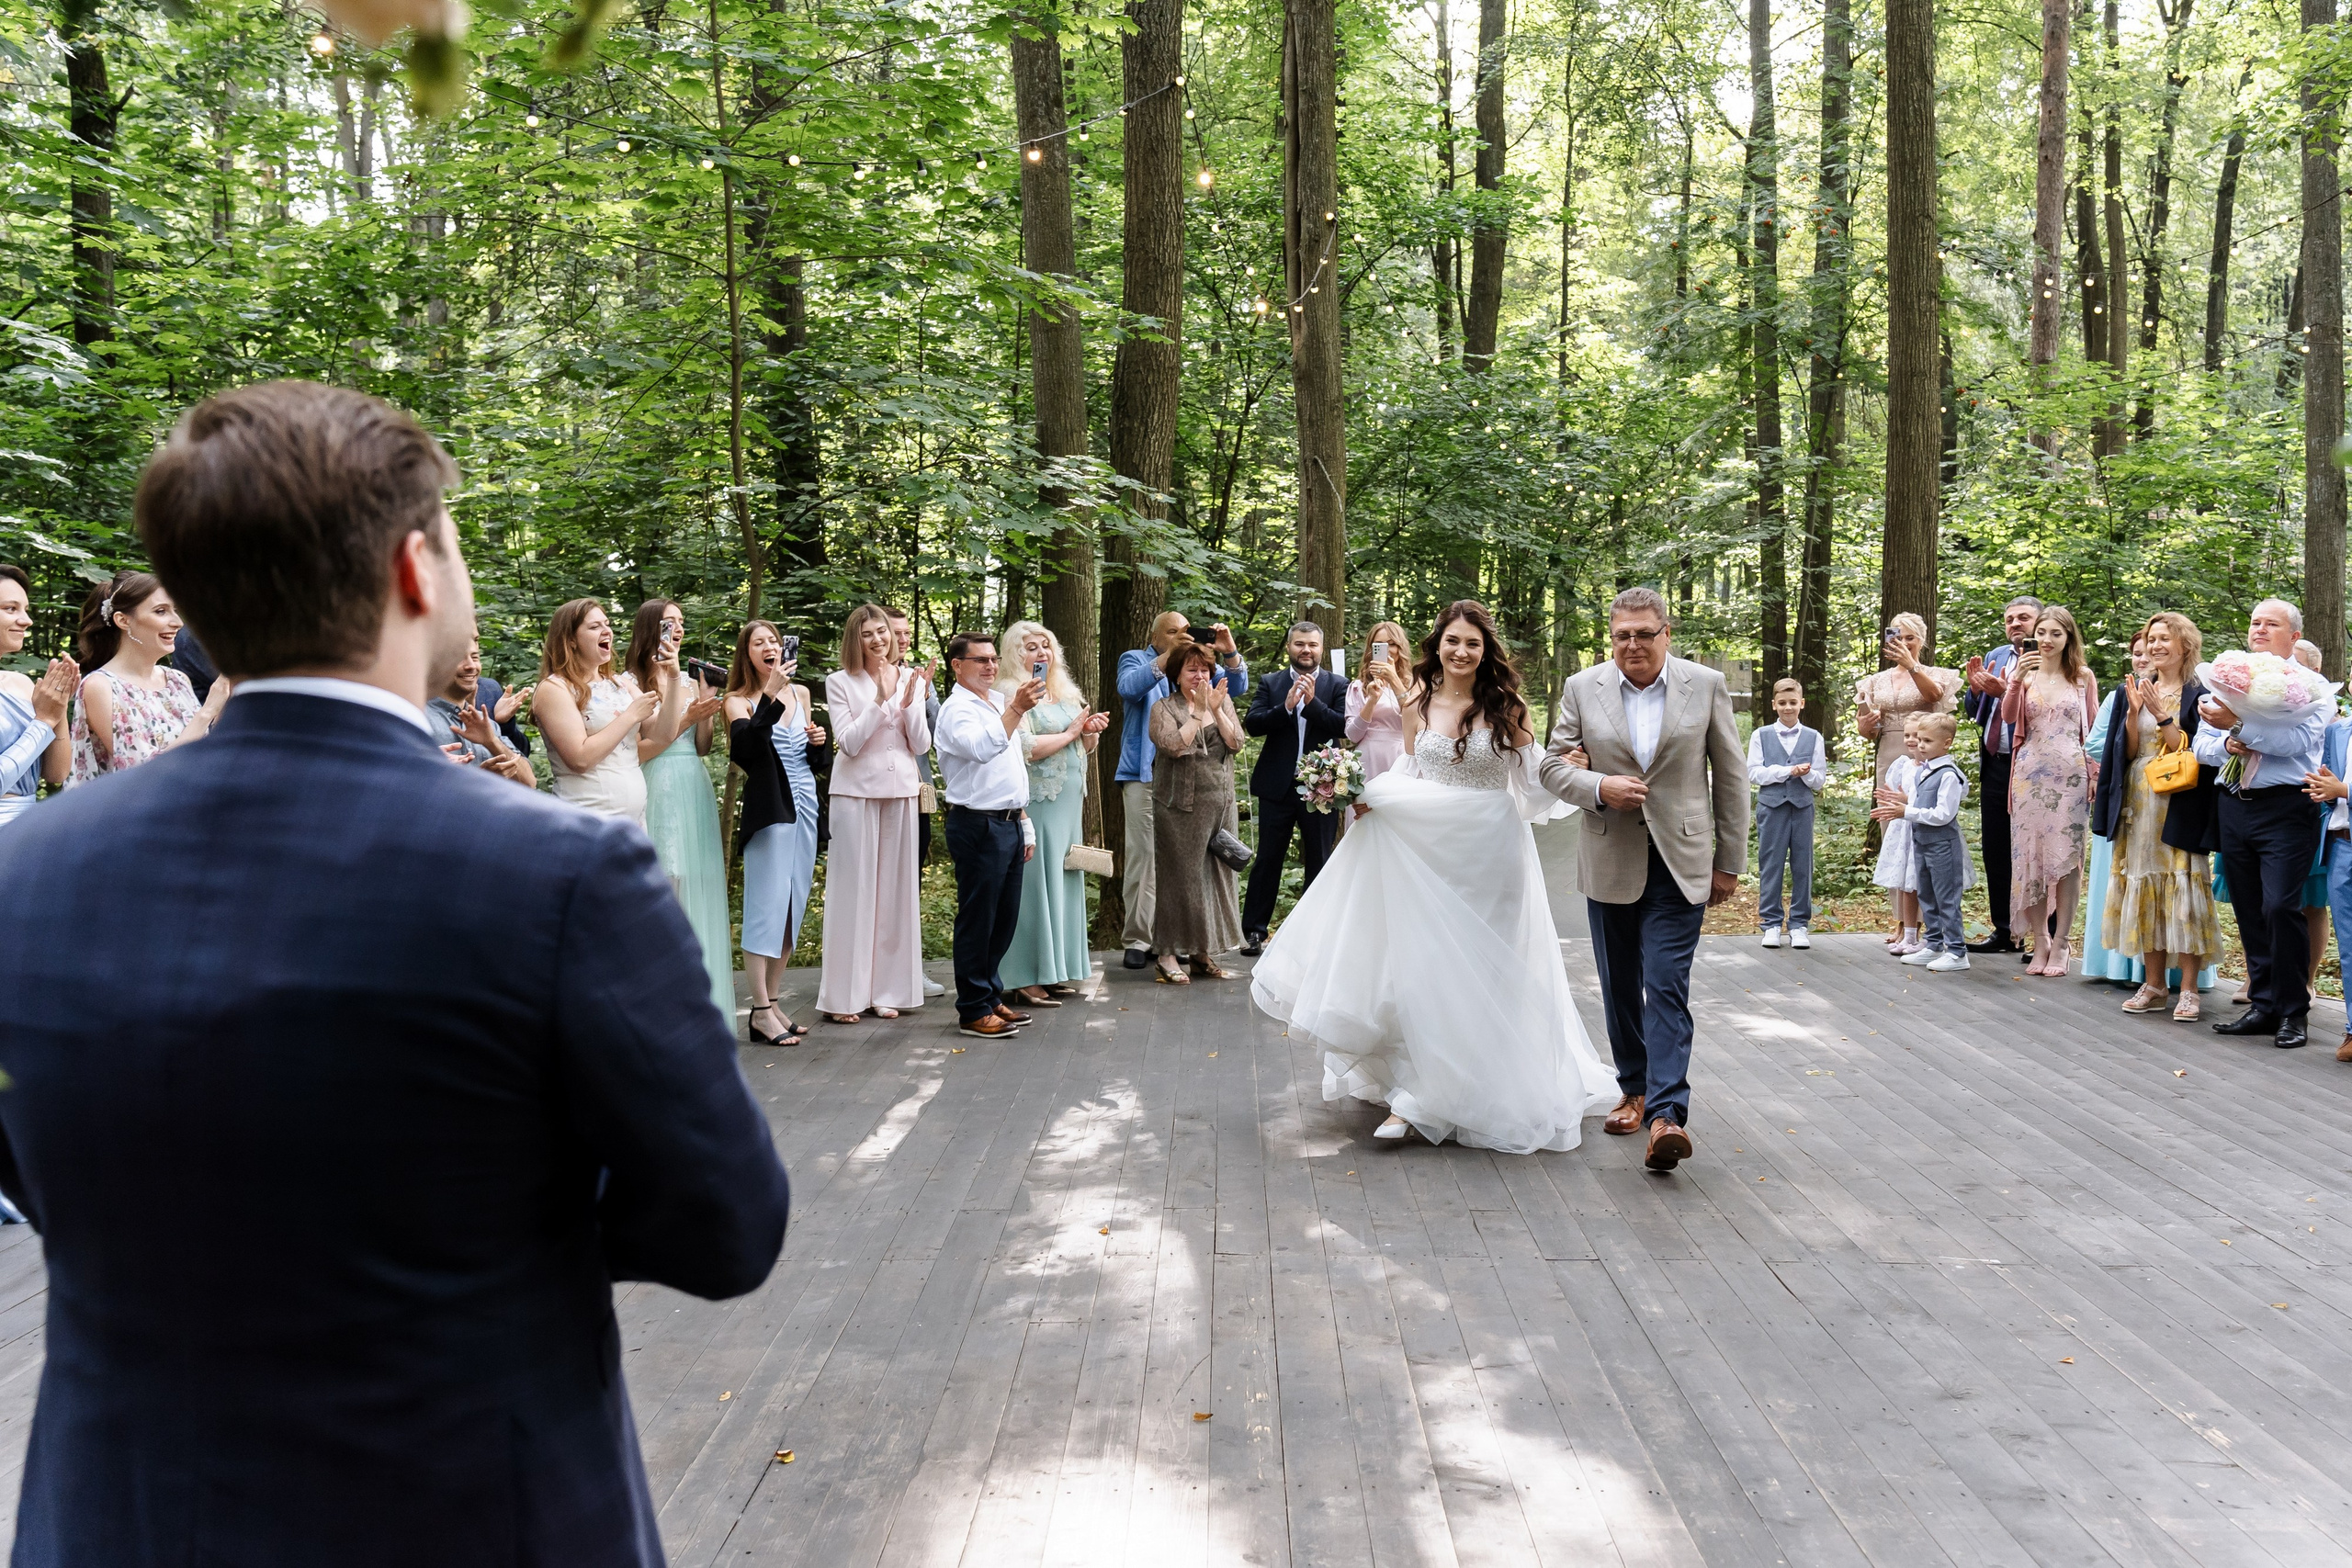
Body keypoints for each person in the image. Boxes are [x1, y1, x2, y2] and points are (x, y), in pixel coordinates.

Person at [0, 379, 788, 1564]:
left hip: (128, 1519)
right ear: (417, 569)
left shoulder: (26, 875)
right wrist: (495, 1210)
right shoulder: (558, 874)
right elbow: (728, 1222)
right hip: (469, 1509)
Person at [1254, 601, 1621, 1150]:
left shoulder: (1507, 707)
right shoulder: (1417, 700)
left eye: (1472, 643)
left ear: (1485, 650)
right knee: (1424, 967)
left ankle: (1476, 1086)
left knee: (1487, 968)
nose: (1462, 651)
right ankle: (1415, 1092)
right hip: (1427, 851)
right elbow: (1411, 768)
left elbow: (1533, 781)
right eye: (1453, 641)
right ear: (1437, 644)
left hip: (1490, 852)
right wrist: (1369, 796)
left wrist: (1574, 770)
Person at [1541, 587, 1747, 1172]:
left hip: (1681, 859)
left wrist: (1729, 860)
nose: (1633, 644)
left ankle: (1665, 1116)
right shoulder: (1584, 687)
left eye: (1644, 633)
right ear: (1611, 636)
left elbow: (1730, 775)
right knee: (1619, 982)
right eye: (1622, 634)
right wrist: (1599, 788)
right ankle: (1631, 1088)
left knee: (1665, 981)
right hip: (1609, 855)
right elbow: (1554, 766)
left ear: (1666, 633)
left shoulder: (1704, 685)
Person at [2199, 598, 2331, 1048]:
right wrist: (2226, 744)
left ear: (2294, 636)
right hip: (2235, 803)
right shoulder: (2229, 675)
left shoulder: (2315, 687)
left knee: (2280, 907)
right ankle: (2264, 1004)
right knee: (2249, 907)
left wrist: (2240, 727)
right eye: (2255, 622)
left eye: (2270, 624)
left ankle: (2295, 1011)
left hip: (2287, 808)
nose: (2259, 630)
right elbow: (2203, 746)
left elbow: (2298, 741)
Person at [2097, 611, 2221, 1020]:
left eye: (2164, 638)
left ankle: (2188, 989)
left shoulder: (2200, 692)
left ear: (2185, 644)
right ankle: (2154, 985)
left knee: (2182, 887)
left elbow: (2193, 750)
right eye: (2151, 639)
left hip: (2181, 798)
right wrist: (2134, 713)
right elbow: (2127, 752)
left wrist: (2163, 714)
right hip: (2139, 796)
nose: (2154, 646)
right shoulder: (2134, 688)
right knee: (2145, 884)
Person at [1114, 611, 1247, 967]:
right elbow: (1128, 687)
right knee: (1147, 859)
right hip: (1147, 774)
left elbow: (1237, 689)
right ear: (1155, 634)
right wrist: (1170, 658)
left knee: (1197, 869)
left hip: (1205, 790)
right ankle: (1141, 941)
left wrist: (1228, 652)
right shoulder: (1137, 660)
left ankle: (1191, 942)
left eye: (1185, 631)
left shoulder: (1200, 670)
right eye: (1172, 632)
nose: (1181, 636)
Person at [820, 602, 933, 1023]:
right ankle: (845, 998)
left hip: (902, 790)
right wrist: (881, 701)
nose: (878, 640)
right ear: (856, 639)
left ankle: (888, 990)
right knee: (855, 893)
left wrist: (911, 701)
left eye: (882, 631)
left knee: (895, 896)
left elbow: (920, 745)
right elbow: (847, 743)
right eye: (867, 634)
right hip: (855, 794)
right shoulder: (839, 681)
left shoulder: (910, 677)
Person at [625, 601, 734, 1017]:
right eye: (670, 623)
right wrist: (686, 717)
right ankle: (664, 1002)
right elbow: (648, 742)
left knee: (698, 880)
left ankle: (705, 1004)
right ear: (651, 628)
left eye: (683, 623)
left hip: (693, 783)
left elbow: (703, 748)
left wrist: (706, 708)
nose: (679, 630)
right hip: (659, 782)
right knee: (668, 881)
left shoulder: (691, 681)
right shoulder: (633, 682)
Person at [933, 631, 1044, 1040]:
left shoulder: (996, 702)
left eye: (994, 659)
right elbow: (982, 749)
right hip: (977, 823)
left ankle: (991, 993)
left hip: (1009, 821)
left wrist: (1024, 822)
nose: (990, 667)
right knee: (978, 919)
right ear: (957, 666)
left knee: (1003, 918)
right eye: (980, 660)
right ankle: (972, 1009)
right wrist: (1016, 707)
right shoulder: (955, 710)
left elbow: (1012, 769)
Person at [998, 621, 1109, 1007]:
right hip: (1037, 803)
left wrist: (1090, 731)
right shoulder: (1011, 693)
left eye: (1046, 645)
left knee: (1063, 881)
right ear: (1014, 653)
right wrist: (1072, 732)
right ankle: (1025, 975)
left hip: (1068, 804)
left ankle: (1055, 969)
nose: (1041, 653)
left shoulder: (1065, 691)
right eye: (1030, 647)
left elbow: (1084, 746)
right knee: (1033, 883)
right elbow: (1024, 746)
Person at [728, 619, 826, 1045]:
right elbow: (746, 752)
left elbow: (816, 762)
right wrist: (767, 695)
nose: (768, 646)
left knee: (792, 908)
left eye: (772, 639)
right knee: (766, 908)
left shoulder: (800, 693)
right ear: (747, 654)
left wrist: (819, 743)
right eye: (758, 643)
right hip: (771, 810)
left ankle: (771, 1002)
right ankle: (760, 1010)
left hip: (806, 804)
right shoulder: (737, 700)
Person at [2000, 604, 2098, 976]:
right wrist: (2013, 682)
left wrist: (2093, 774)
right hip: (2030, 776)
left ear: (2068, 638)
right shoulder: (2023, 675)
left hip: (2070, 775)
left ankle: (2061, 943)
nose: (2046, 640)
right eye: (2041, 633)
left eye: (2056, 634)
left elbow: (2092, 732)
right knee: (2031, 859)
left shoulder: (2082, 677)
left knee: (2067, 861)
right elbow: (2010, 719)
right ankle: (2040, 940)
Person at [1242, 621, 1351, 950]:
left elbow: (1344, 725)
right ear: (1289, 647)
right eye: (1300, 644)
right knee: (1268, 859)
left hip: (1322, 787)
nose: (1306, 650)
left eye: (1313, 645)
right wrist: (1287, 706)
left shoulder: (1338, 684)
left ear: (1321, 649)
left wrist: (1313, 703)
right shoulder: (1271, 682)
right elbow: (1253, 724)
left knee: (1319, 858)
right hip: (1277, 787)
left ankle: (1312, 934)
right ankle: (1254, 932)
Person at [1148, 638, 1250, 983]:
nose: (1199, 675)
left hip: (1220, 807)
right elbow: (1174, 745)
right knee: (1181, 881)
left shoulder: (1224, 702)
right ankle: (1167, 954)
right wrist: (1196, 712)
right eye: (1191, 669)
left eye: (1204, 669)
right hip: (1180, 809)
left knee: (1215, 881)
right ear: (1177, 675)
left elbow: (1236, 743)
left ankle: (1201, 953)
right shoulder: (1163, 707)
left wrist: (1218, 710)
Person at [1854, 611, 1960, 940]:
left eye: (1910, 637)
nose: (1902, 642)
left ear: (1922, 640)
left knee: (1922, 831)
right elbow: (1869, 727)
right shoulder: (1876, 680)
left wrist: (1912, 666)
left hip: (1924, 757)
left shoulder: (1933, 674)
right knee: (1893, 835)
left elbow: (1934, 699)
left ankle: (1927, 921)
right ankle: (1902, 920)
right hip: (1889, 756)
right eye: (1896, 636)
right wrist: (1863, 727)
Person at [69, 570, 230, 784]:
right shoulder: (100, 686)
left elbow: (201, 752)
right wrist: (208, 710)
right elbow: (144, 774)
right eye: (161, 611)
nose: (178, 622)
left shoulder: (177, 681)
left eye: (176, 610)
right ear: (123, 621)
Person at [536, 599, 666, 827]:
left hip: (632, 824)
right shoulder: (554, 688)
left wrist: (673, 676)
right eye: (594, 627)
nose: (607, 631)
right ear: (571, 640)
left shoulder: (619, 683)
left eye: (607, 624)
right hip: (586, 820)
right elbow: (579, 759)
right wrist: (630, 716)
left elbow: (663, 734)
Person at [1962, 595, 2043, 953]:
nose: (2015, 624)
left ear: (2040, 621)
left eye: (2023, 618)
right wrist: (1977, 691)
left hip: (2036, 764)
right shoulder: (1996, 656)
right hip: (1997, 759)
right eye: (2009, 619)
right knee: (1996, 846)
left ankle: (2043, 933)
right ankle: (2004, 929)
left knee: (2035, 849)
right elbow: (1976, 712)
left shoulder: (2049, 658)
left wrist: (2007, 691)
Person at [885, 605, 947, 996]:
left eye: (908, 633)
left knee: (910, 883)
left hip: (917, 789)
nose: (905, 639)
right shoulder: (862, 679)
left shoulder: (918, 677)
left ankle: (909, 968)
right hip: (873, 792)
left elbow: (940, 730)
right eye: (897, 633)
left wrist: (923, 695)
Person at [2080, 628, 2149, 983]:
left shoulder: (2189, 692)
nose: (2143, 658)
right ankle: (2119, 966)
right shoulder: (2118, 696)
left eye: (2149, 650)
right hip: (2126, 797)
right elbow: (2094, 744)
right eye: (2137, 652)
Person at [1878, 713, 1972, 971]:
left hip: (1942, 844)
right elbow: (1919, 803)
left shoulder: (1949, 774)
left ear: (1947, 743)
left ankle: (1957, 951)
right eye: (1919, 739)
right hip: (1922, 841)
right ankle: (1933, 944)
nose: (1920, 745)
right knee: (1927, 895)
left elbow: (1944, 814)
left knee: (1946, 898)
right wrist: (1903, 802)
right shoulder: (1924, 770)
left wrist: (1906, 812)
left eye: (1927, 741)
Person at [1750, 676, 1826, 950]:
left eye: (1793, 702)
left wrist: (1804, 775)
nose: (1788, 708)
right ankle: (1770, 923)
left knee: (1803, 866)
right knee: (1771, 865)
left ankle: (1799, 925)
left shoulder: (1814, 737)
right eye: (1782, 703)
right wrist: (1786, 771)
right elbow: (1754, 772)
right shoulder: (1760, 735)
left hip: (1802, 807)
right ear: (1774, 705)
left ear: (1802, 703)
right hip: (1771, 808)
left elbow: (1819, 779)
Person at [0, 564, 74, 825]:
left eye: (26, 610)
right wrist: (42, 722)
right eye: (10, 609)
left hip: (25, 827)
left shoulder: (21, 683)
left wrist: (58, 707)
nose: (27, 620)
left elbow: (56, 773)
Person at [2300, 710, 2352, 1062]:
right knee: (2348, 943)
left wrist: (2343, 789)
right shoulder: (2338, 730)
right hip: (2342, 845)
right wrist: (2325, 793)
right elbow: (2327, 786)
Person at [426, 637, 538, 787]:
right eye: (459, 658)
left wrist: (492, 741)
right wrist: (480, 780)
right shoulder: (417, 718)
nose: (471, 666)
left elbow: (529, 782)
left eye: (475, 657)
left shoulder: (486, 723)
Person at [1874, 718, 1925, 953]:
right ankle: (1907, 930)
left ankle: (1927, 932)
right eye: (1907, 735)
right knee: (1905, 882)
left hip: (1922, 829)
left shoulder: (1935, 768)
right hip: (1902, 831)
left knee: (1920, 881)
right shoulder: (1902, 765)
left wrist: (1905, 801)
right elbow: (1893, 792)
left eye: (1918, 735)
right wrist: (1889, 799)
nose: (1912, 740)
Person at [1344, 619, 1412, 794]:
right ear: (1371, 650)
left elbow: (1418, 725)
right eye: (1379, 645)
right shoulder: (1358, 687)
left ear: (1400, 648)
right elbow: (1353, 735)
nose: (1387, 650)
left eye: (1392, 644)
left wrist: (1394, 680)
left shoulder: (1415, 685)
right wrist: (1372, 700)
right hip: (1368, 757)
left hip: (1400, 757)